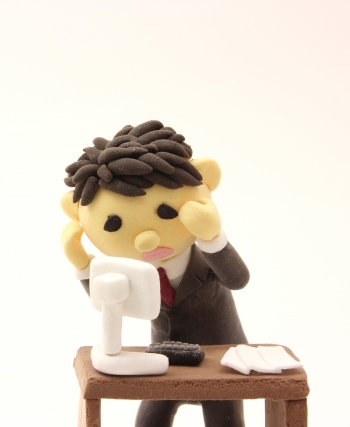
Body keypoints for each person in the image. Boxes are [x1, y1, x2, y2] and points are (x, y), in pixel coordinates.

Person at [61, 120, 250, 427]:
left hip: (221, 359)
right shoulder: (133, 271)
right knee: (150, 421)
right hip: (162, 362)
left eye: (166, 211)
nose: (146, 241)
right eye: (114, 224)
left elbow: (237, 279)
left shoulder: (207, 260)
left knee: (224, 421)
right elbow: (110, 299)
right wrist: (82, 265)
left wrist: (212, 238)